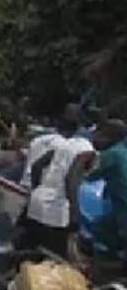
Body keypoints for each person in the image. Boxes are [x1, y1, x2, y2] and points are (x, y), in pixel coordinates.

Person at [16, 107, 96, 258]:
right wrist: (74, 211)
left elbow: (37, 165)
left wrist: (37, 190)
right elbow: (71, 179)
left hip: (38, 200)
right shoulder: (87, 150)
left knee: (32, 250)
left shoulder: (64, 144)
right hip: (56, 209)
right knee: (54, 257)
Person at [87, 120, 127, 255]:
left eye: (97, 134)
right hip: (119, 204)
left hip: (124, 205)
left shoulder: (111, 154)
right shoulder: (122, 151)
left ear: (107, 137)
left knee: (100, 227)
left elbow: (89, 175)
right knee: (103, 226)